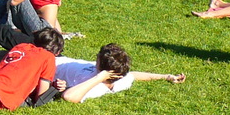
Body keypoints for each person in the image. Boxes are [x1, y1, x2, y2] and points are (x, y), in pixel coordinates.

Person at [55, 44, 186, 102]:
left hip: (43, 63)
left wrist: (99, 78)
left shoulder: (96, 86)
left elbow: (68, 96)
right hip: (56, 56)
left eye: (98, 58)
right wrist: (166, 77)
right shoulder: (120, 80)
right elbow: (134, 75)